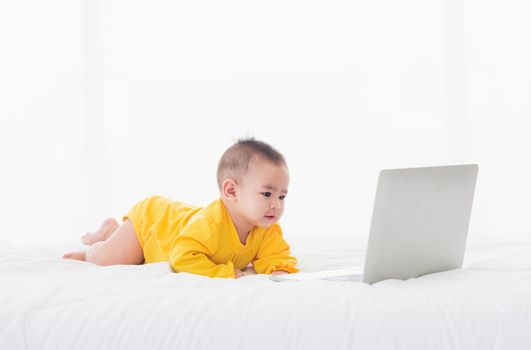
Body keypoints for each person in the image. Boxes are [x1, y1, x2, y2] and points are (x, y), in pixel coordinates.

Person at [63, 138, 298, 279]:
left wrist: (280, 271)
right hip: (153, 224)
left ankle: (113, 230)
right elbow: (182, 258)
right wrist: (223, 273)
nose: (276, 204)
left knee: (125, 253)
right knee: (109, 259)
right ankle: (95, 245)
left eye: (282, 196)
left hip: (171, 222)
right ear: (231, 191)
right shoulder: (210, 224)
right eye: (267, 194)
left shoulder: (266, 228)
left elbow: (275, 256)